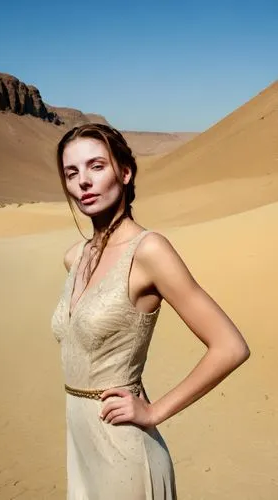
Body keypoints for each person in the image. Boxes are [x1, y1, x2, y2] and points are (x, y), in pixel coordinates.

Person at [51, 123, 250, 499]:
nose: (83, 183)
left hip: (123, 449)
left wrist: (154, 412)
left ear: (125, 173)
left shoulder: (149, 252)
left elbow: (230, 346)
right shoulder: (74, 258)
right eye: (71, 172)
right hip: (80, 446)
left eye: (97, 166)